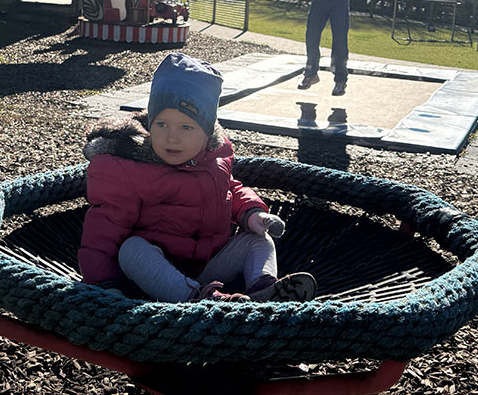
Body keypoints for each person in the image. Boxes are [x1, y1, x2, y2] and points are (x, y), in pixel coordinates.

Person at [78, 52, 318, 303]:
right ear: (150, 124)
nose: (172, 137)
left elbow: (231, 189)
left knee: (258, 240)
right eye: (161, 125)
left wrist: (253, 213)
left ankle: (263, 289)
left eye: (186, 127)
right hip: (157, 274)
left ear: (207, 132)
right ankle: (201, 299)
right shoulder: (128, 168)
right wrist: (104, 283)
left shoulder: (216, 157)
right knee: (131, 250)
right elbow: (103, 230)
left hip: (209, 265)